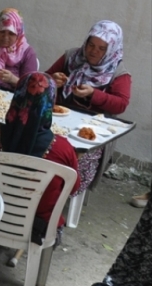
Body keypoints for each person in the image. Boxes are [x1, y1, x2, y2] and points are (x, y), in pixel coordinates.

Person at [0, 72, 80, 259]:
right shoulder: (63, 150)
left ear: (17, 97)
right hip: (37, 227)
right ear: (50, 106)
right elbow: (73, 189)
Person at [46, 20, 131, 195]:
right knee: (42, 143)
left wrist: (94, 94)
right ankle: (38, 185)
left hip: (93, 132)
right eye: (91, 45)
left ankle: (60, 193)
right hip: (58, 120)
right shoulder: (72, 57)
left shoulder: (118, 72)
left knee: (77, 158)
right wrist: (52, 81)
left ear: (111, 50)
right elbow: (43, 80)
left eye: (101, 48)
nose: (93, 51)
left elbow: (121, 104)